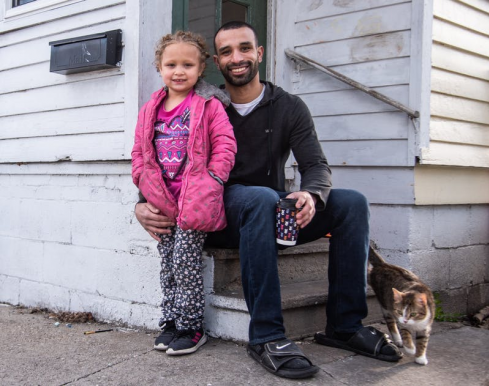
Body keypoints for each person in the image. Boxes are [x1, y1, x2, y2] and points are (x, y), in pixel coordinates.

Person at [135, 21, 402, 377]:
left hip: (272, 212)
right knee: (260, 199)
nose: (237, 57)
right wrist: (141, 202)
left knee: (351, 202)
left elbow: (316, 165)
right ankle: (267, 336)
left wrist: (311, 193)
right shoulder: (204, 105)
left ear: (259, 53)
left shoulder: (288, 106)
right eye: (227, 51)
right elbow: (161, 154)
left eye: (245, 47)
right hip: (215, 214)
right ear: (216, 60)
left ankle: (345, 326)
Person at [131, 30, 236, 356]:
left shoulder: (207, 105)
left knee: (186, 265)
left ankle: (191, 327)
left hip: (194, 201)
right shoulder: (151, 108)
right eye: (171, 64)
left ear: (201, 68)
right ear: (159, 67)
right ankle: (171, 321)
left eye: (187, 65)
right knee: (168, 266)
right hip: (162, 203)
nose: (179, 71)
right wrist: (141, 181)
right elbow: (139, 150)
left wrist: (213, 179)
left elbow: (225, 145)